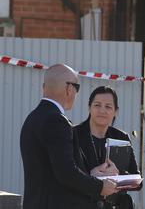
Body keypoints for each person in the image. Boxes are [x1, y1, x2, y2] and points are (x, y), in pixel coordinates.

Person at [20, 64, 119, 209]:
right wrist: (100, 187)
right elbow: (66, 173)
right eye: (77, 88)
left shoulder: (33, 118)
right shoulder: (56, 121)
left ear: (44, 87)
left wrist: (90, 174)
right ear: (69, 89)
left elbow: (53, 169)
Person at [74, 85, 141, 209]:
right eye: (97, 105)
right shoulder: (74, 134)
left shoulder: (121, 137)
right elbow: (66, 174)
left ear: (116, 111)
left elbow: (137, 182)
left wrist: (118, 174)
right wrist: (90, 177)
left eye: (108, 106)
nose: (102, 110)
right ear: (89, 107)